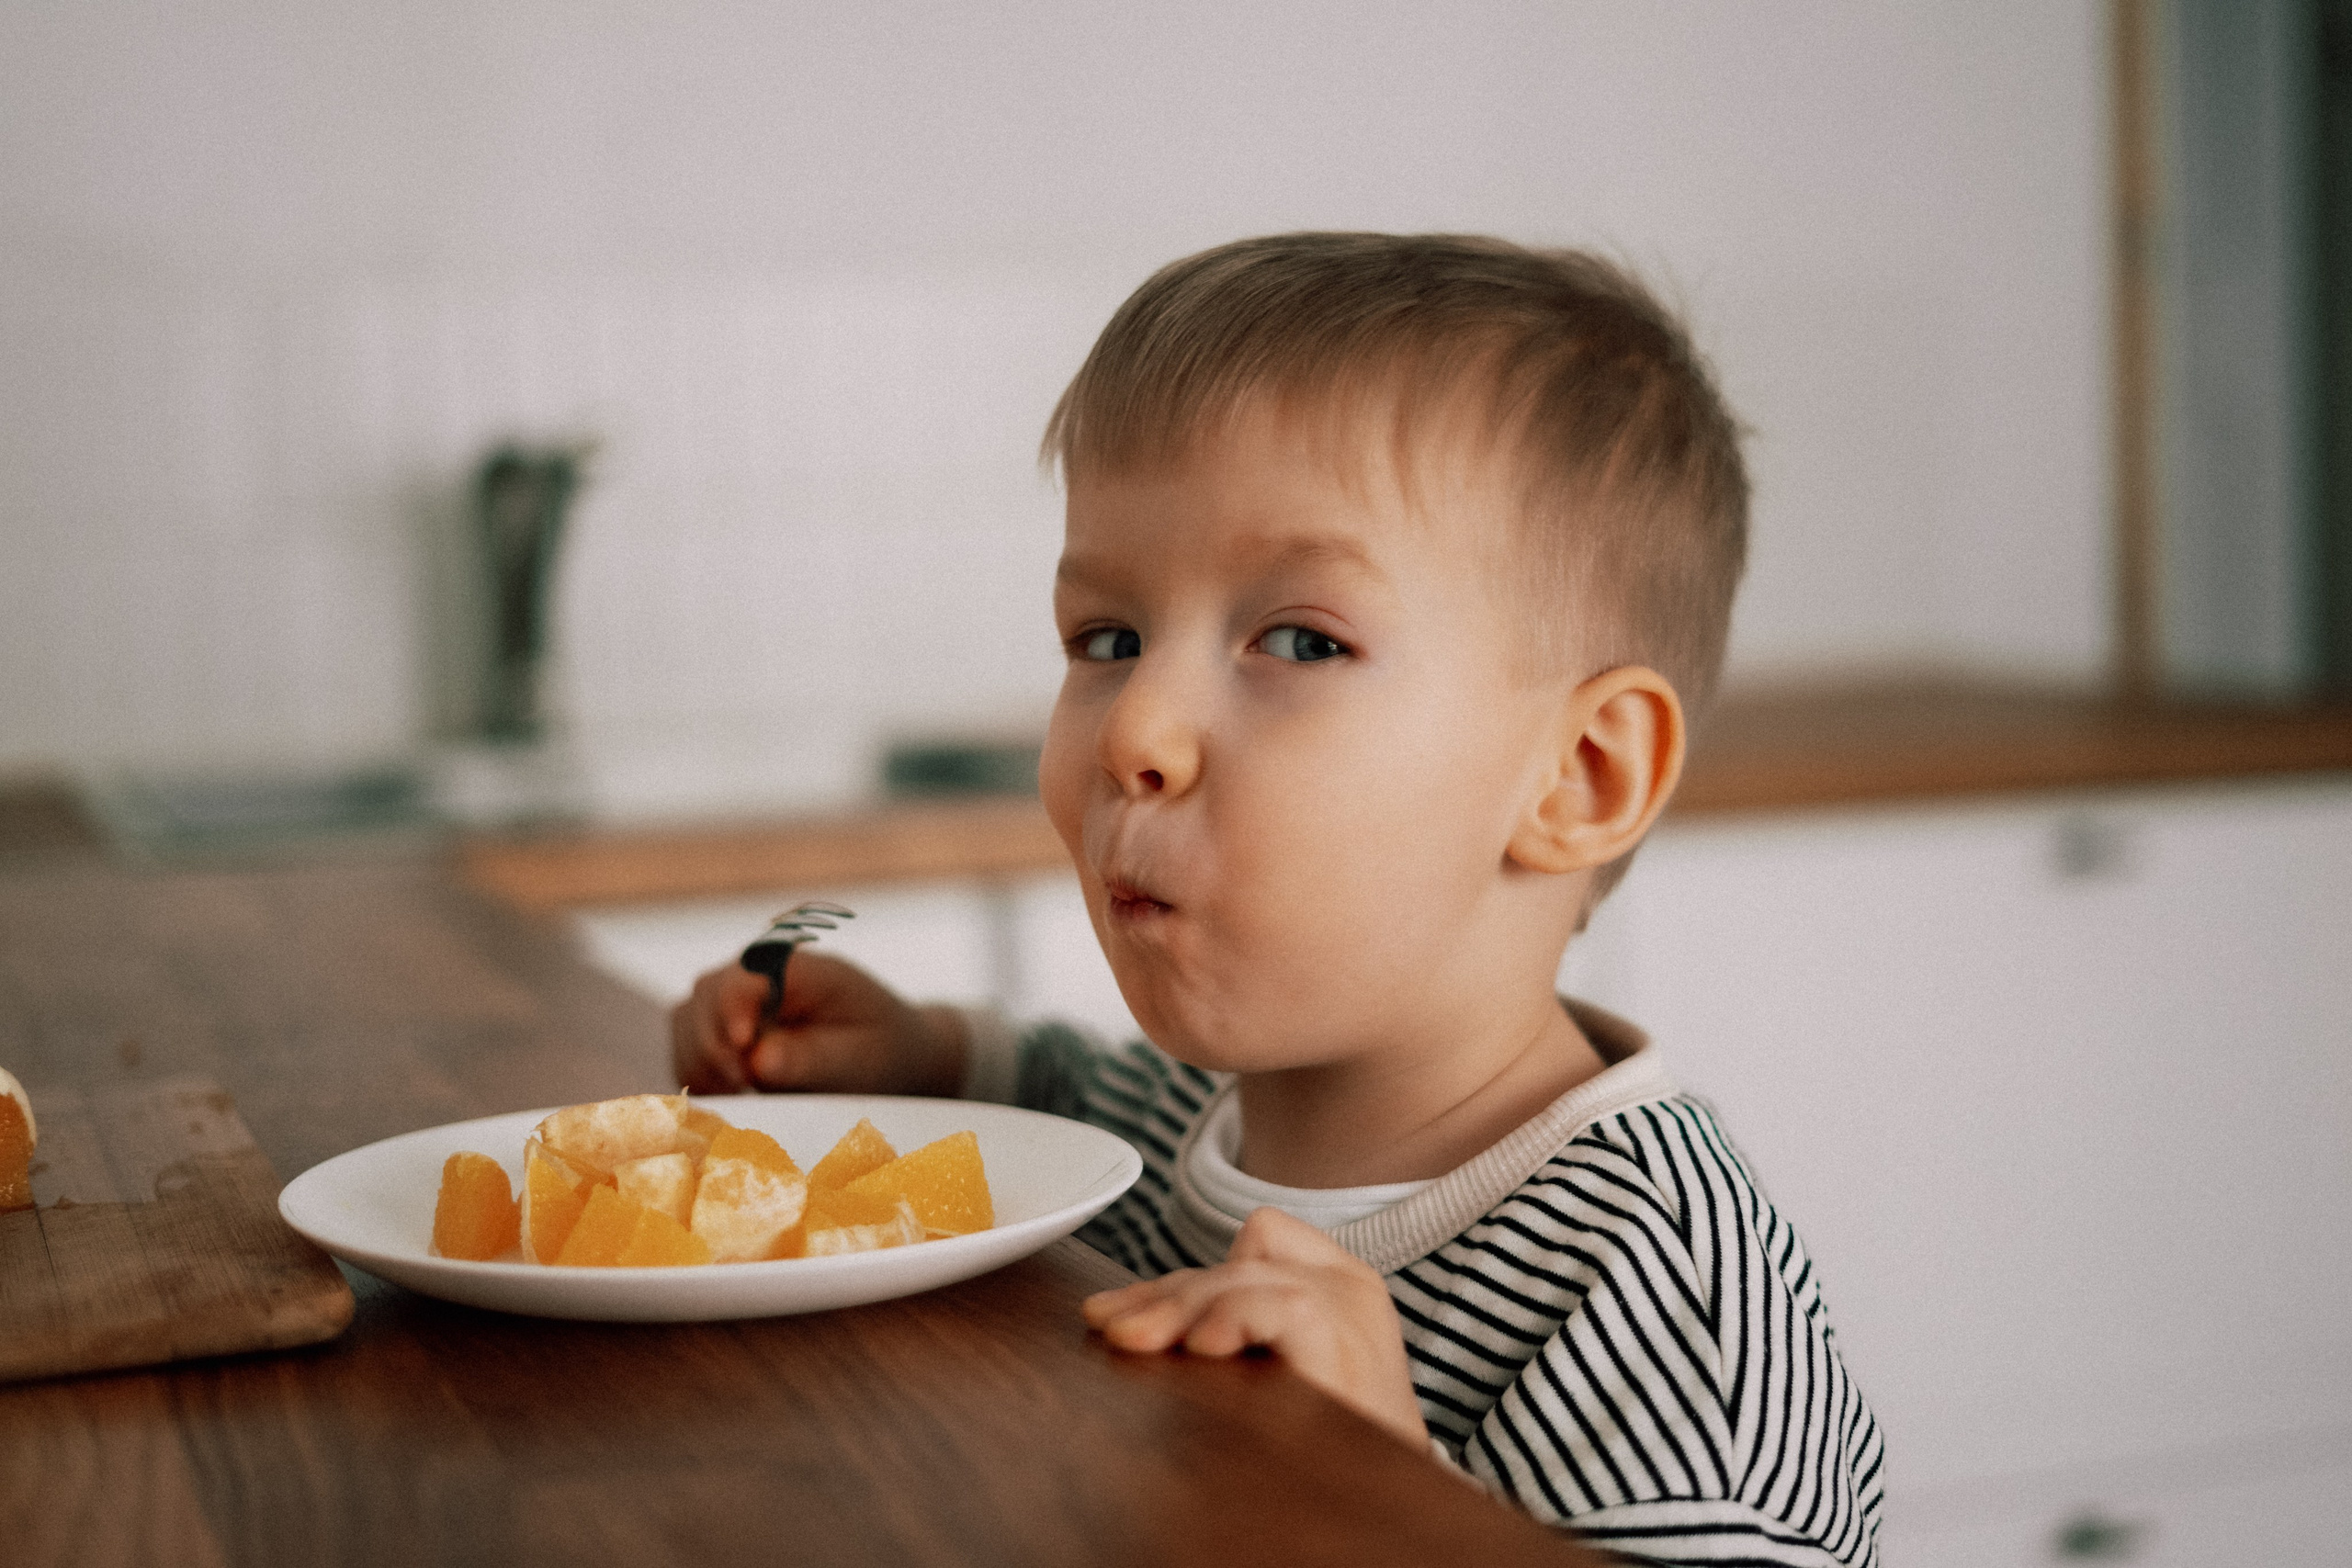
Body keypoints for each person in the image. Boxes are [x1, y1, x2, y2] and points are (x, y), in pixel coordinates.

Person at [673, 233, 1883, 1565]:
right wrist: (927, 1057)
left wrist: (1391, 1499)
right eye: (1108, 639)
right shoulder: (1194, 1114)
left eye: (1301, 641)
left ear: (1579, 777)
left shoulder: (1663, 1304)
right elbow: (1078, 1097)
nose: (1136, 728)